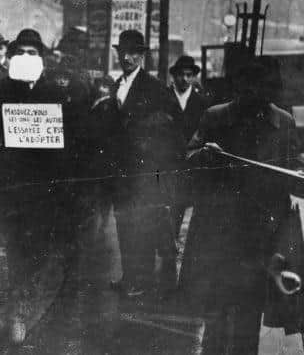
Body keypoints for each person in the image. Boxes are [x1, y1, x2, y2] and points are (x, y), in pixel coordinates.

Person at [179, 58, 300, 355]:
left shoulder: (283, 122)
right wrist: (206, 156)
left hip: (261, 240)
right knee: (216, 319)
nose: (257, 96)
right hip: (220, 237)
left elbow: (293, 169)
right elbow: (190, 157)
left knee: (248, 322)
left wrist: (298, 174)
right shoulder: (216, 116)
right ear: (240, 89)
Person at [0, 28, 89, 342]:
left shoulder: (56, 94)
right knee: (17, 249)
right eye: (21, 53)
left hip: (47, 191)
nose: (27, 58)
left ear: (41, 58)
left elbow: (70, 143)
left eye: (33, 53)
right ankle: (18, 311)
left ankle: (34, 309)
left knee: (43, 250)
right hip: (13, 189)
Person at [97, 29, 181, 298]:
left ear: (142, 56)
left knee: (141, 225)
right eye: (123, 52)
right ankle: (130, 277)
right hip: (120, 171)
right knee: (124, 223)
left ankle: (141, 280)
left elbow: (173, 124)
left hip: (144, 171)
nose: (128, 57)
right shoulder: (117, 85)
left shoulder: (154, 87)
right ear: (118, 53)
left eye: (134, 52)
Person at [167, 55, 211, 235]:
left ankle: (176, 242)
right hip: (168, 160)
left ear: (193, 77)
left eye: (188, 75)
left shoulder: (201, 102)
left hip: (190, 162)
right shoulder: (164, 97)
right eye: (180, 75)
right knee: (167, 205)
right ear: (174, 76)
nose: (184, 79)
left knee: (185, 203)